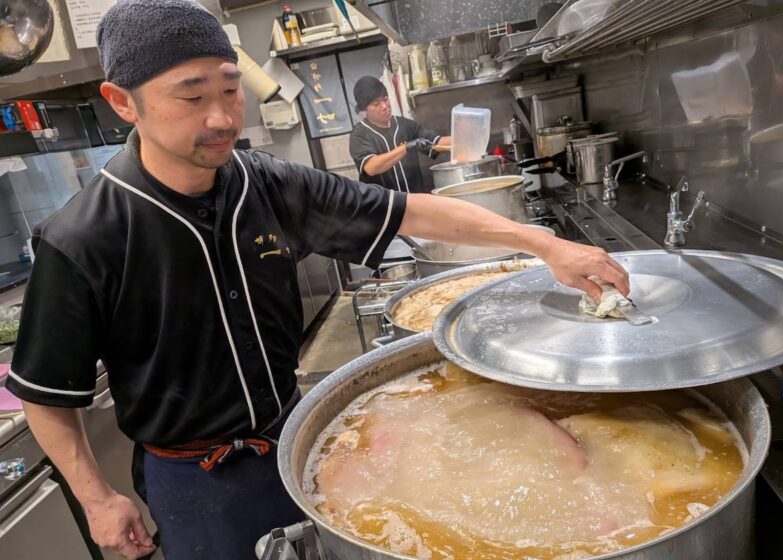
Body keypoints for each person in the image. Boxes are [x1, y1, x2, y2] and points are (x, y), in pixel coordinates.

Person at [5, 1, 629, 559]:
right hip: (197, 482)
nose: (222, 117)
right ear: (123, 102)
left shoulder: (268, 183)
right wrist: (96, 498)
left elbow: (410, 211)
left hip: (300, 439)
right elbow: (47, 393)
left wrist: (545, 244)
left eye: (230, 90)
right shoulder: (81, 238)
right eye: (192, 97)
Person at [349, 75, 448, 193]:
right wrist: (406, 147)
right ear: (364, 110)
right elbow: (371, 167)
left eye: (385, 99)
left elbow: (437, 142)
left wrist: (467, 139)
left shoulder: (405, 125)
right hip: (384, 207)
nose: (385, 107)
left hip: (415, 200)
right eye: (376, 104)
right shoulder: (359, 134)